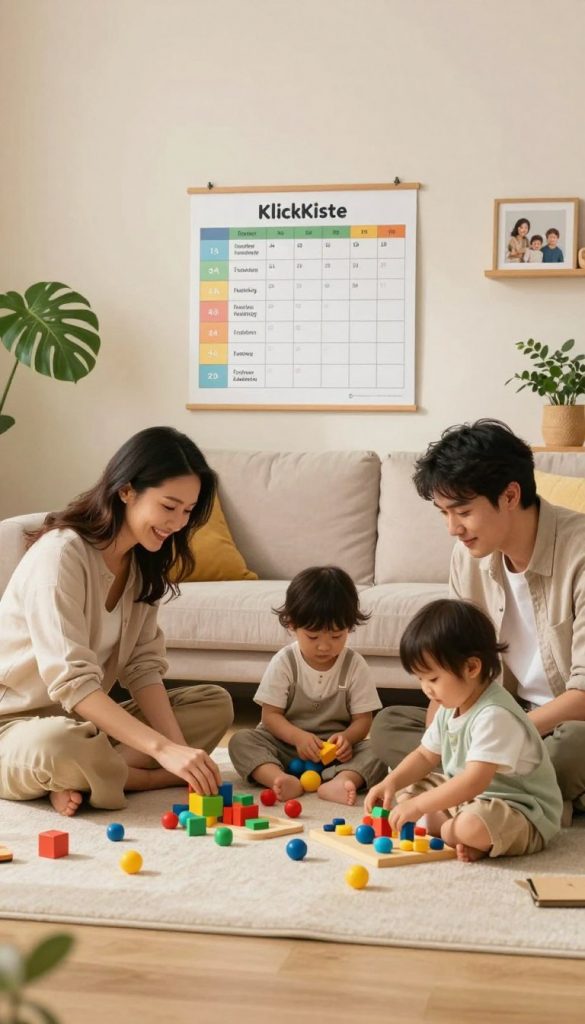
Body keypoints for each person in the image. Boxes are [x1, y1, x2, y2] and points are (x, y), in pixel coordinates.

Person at [0, 426, 233, 816]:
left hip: (90, 723)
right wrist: (162, 755)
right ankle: (131, 776)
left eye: (188, 511)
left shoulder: (143, 561)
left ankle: (84, 775)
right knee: (59, 745)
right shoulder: (61, 556)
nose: (178, 523)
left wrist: (180, 753)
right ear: (127, 491)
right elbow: (72, 683)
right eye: (168, 506)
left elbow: (142, 667)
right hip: (17, 727)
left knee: (215, 704)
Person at [370, 419, 585, 823]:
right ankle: (504, 790)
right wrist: (444, 729)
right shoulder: (467, 557)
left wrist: (500, 734)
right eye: (444, 513)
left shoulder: (580, 554)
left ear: (510, 495)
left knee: (575, 745)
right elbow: (450, 661)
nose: (453, 528)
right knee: (389, 725)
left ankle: (491, 788)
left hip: (562, 723)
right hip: (492, 717)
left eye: (463, 512)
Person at [365, 599, 562, 862]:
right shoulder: (451, 706)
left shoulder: (494, 714)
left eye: (433, 679)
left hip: (519, 808)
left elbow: (473, 781)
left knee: (465, 825)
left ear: (471, 667)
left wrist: (420, 806)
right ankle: (459, 830)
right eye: (420, 679)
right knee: (405, 794)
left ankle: (454, 830)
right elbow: (425, 756)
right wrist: (391, 782)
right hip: (472, 799)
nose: (426, 689)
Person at [229, 566, 387, 805]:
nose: (324, 647)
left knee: (379, 748)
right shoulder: (285, 662)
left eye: (336, 636)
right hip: (285, 747)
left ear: (350, 626)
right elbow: (270, 716)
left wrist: (347, 738)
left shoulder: (354, 664)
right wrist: (298, 738)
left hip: (334, 755)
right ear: (292, 625)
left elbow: (363, 720)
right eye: (313, 637)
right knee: (241, 741)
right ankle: (278, 777)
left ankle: (342, 780)